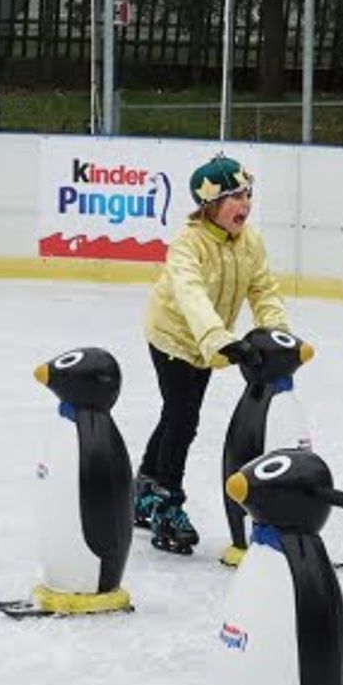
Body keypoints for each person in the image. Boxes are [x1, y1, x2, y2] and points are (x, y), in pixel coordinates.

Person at [134, 154, 290, 554]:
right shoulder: (189, 244)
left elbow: (263, 290)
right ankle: (167, 501)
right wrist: (219, 338)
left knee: (176, 412)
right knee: (184, 417)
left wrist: (277, 335)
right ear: (210, 205)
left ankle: (145, 484)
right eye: (235, 197)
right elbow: (191, 295)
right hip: (173, 337)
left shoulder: (249, 242)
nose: (245, 204)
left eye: (248, 194)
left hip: (207, 342)